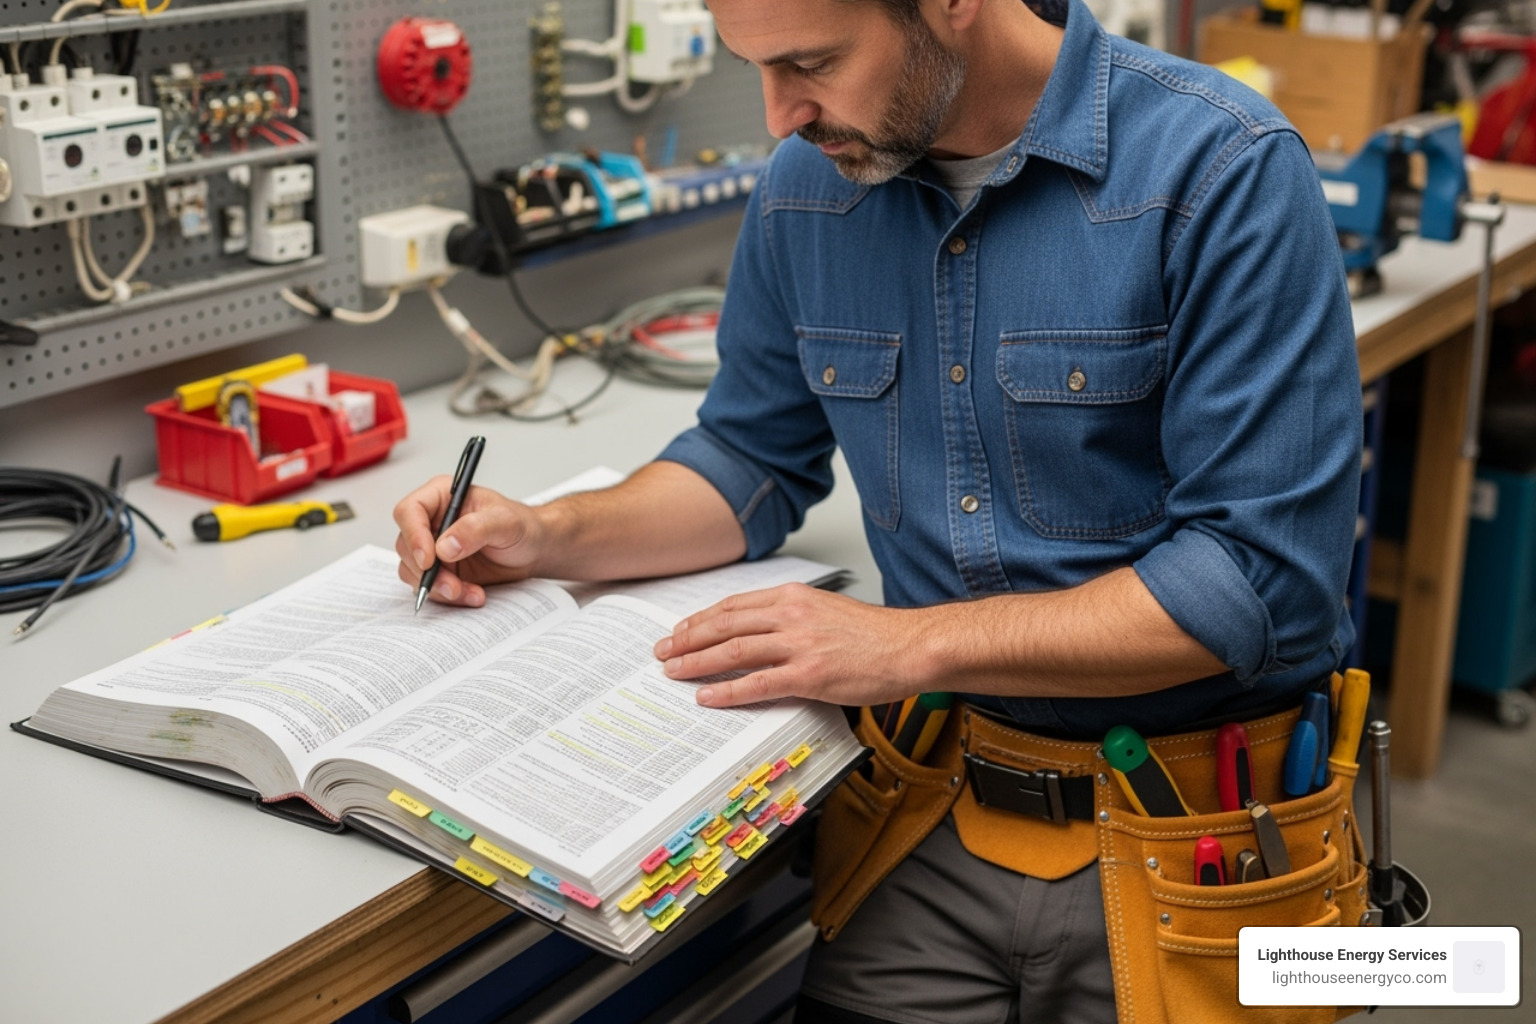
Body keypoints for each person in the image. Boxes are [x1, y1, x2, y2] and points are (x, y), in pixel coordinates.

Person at [394, 0, 1362, 1020]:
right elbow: (748, 456)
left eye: (812, 62)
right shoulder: (809, 188)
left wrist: (902, 647)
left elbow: (1252, 583)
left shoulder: (1226, 170)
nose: (778, 115)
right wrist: (551, 535)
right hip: (933, 808)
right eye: (755, 69)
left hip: (1204, 831)